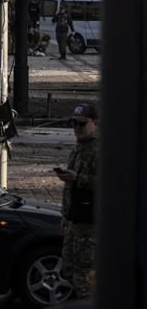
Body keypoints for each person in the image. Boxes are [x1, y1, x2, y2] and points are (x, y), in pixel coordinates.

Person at [57, 103, 97, 299]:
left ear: (95, 123)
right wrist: (65, 216)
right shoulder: (79, 147)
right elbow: (70, 189)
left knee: (85, 274)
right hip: (75, 220)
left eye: (82, 124)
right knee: (69, 269)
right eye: (73, 124)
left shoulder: (100, 150)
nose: (77, 128)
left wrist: (78, 178)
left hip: (91, 223)